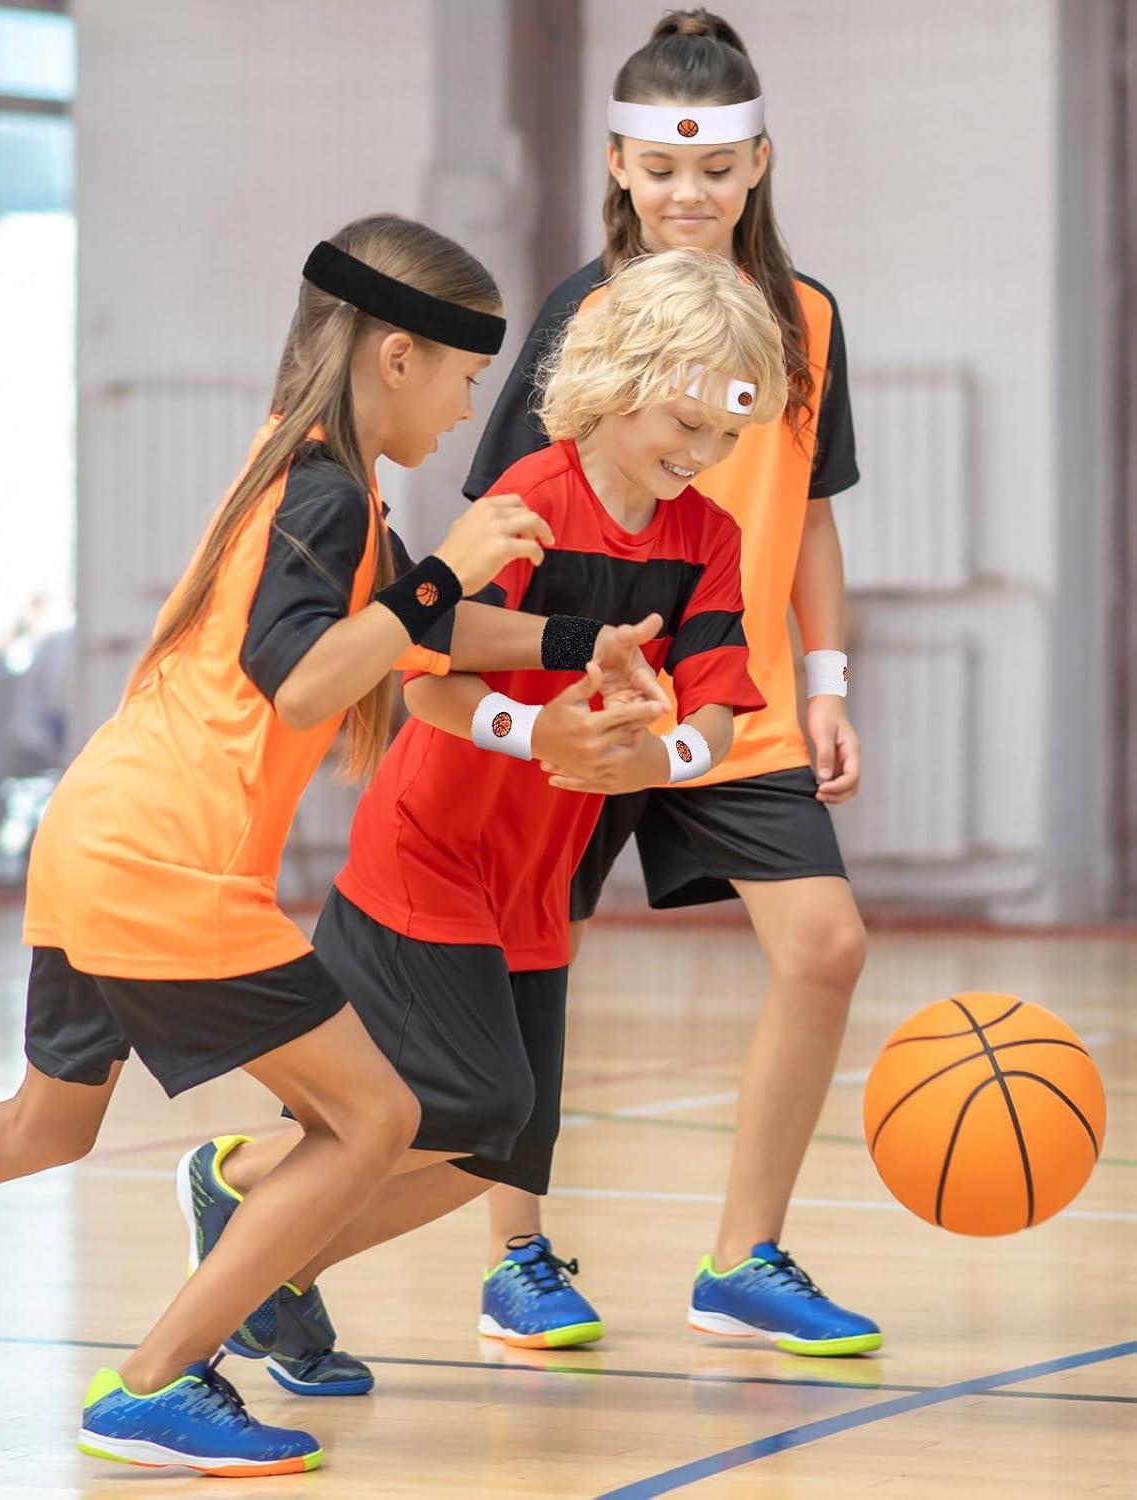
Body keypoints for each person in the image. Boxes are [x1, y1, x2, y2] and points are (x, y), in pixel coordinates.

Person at [0, 214, 649, 1478]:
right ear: (399, 356)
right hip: (166, 865)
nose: (467, 407)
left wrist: (578, 647)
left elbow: (424, 642)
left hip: (105, 839)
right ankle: (156, 1384)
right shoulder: (328, 495)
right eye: (464, 376)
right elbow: (306, 683)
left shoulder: (306, 477)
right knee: (374, 1115)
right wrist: (443, 577)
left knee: (41, 1126)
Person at [185, 248, 787, 1395]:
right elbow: (425, 681)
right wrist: (539, 736)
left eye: (723, 441)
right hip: (432, 855)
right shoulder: (525, 511)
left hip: (541, 883)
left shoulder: (707, 539)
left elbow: (718, 712)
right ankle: (244, 1199)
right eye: (683, 423)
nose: (702, 458)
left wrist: (660, 754)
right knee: (468, 1106)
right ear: (617, 377)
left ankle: (269, 1254)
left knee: (496, 1145)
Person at [463, 9, 879, 1358]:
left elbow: (807, 514)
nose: (687, 195)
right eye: (660, 170)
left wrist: (823, 679)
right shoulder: (582, 316)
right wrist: (522, 708)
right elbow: (502, 525)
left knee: (826, 946)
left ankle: (743, 1260)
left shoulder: (806, 319)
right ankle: (515, 1258)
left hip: (730, 696)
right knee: (536, 961)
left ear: (757, 164)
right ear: (618, 166)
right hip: (587, 693)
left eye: (713, 170)